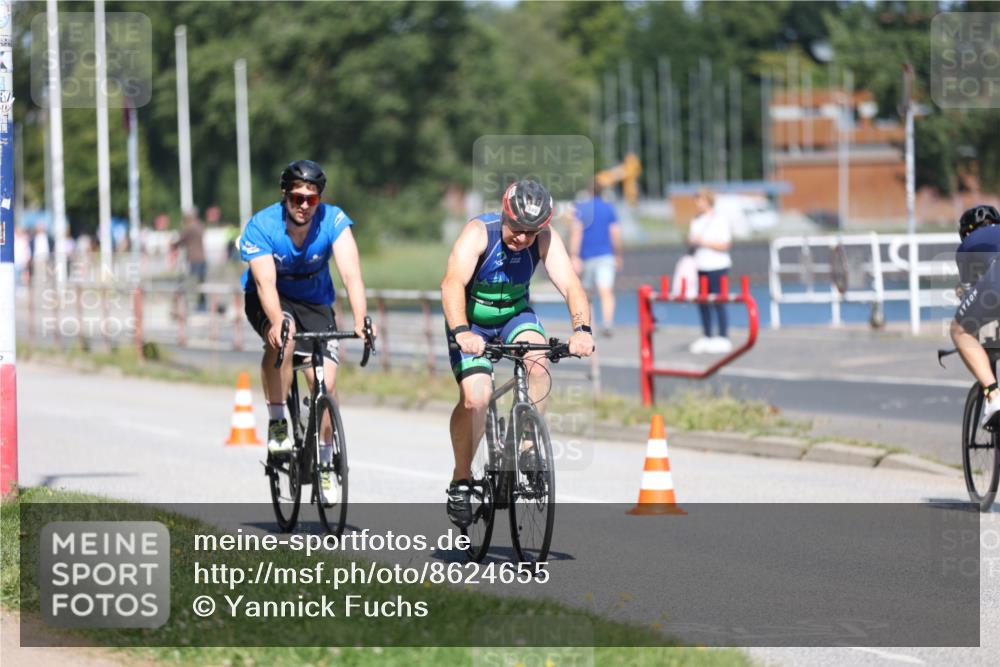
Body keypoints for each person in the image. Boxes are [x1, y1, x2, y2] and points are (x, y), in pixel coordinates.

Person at [440, 179, 596, 527]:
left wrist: (582, 330)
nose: (522, 238)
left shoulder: (544, 238)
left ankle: (527, 446)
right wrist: (462, 331)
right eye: (517, 228)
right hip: (471, 323)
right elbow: (451, 283)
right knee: (476, 399)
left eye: (531, 231)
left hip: (514, 316)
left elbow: (571, 285)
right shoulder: (480, 232)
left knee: (538, 363)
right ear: (504, 214)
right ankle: (461, 480)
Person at [240, 159, 372, 503]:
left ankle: (326, 464)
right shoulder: (262, 226)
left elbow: (351, 274)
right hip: (269, 298)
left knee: (324, 385)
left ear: (319, 200)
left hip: (315, 301)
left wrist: (361, 318)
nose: (303, 206)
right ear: (285, 195)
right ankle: (278, 422)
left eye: (310, 199)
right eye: (296, 197)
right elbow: (265, 284)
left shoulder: (334, 221)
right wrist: (277, 322)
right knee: (285, 337)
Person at [950, 204, 1000, 427]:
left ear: (967, 232)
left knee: (960, 330)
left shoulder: (967, 247)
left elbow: (968, 295)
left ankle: (993, 395)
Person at [569, 180, 622, 337]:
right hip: (606, 255)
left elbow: (576, 232)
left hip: (586, 256)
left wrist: (574, 255)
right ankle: (607, 324)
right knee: (606, 291)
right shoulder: (608, 208)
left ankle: (587, 325)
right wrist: (618, 254)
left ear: (588, 191)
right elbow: (615, 234)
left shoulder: (581, 208)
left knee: (586, 294)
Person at [687, 188, 732, 354]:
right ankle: (706, 335)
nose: (697, 204)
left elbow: (725, 244)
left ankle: (723, 336)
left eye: (700, 200)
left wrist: (703, 241)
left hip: (718, 265)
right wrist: (692, 241)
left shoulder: (720, 220)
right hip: (700, 265)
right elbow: (692, 242)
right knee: (702, 301)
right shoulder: (695, 221)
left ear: (708, 201)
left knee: (719, 300)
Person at [172, 208, 207, 311]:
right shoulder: (200, 225)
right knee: (202, 283)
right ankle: (202, 305)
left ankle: (192, 305)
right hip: (202, 258)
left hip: (194, 259)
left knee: (193, 283)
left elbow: (181, 240)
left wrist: (172, 244)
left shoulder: (189, 228)